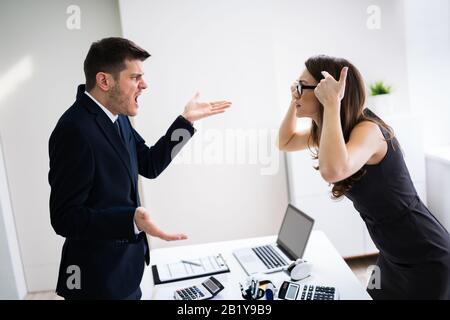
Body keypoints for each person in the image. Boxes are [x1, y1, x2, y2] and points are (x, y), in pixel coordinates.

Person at [48, 37, 231, 300]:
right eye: (135, 77)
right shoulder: (74, 130)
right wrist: (130, 220)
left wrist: (185, 121)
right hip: (96, 283)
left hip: (125, 273)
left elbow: (149, 164)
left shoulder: (117, 117)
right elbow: (65, 218)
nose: (144, 84)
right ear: (104, 81)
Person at [278, 55, 450, 299]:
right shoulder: (331, 132)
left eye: (300, 87)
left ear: (327, 92)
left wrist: (331, 104)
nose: (295, 93)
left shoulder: (368, 130)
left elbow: (334, 170)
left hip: (424, 255)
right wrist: (295, 99)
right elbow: (284, 141)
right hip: (391, 254)